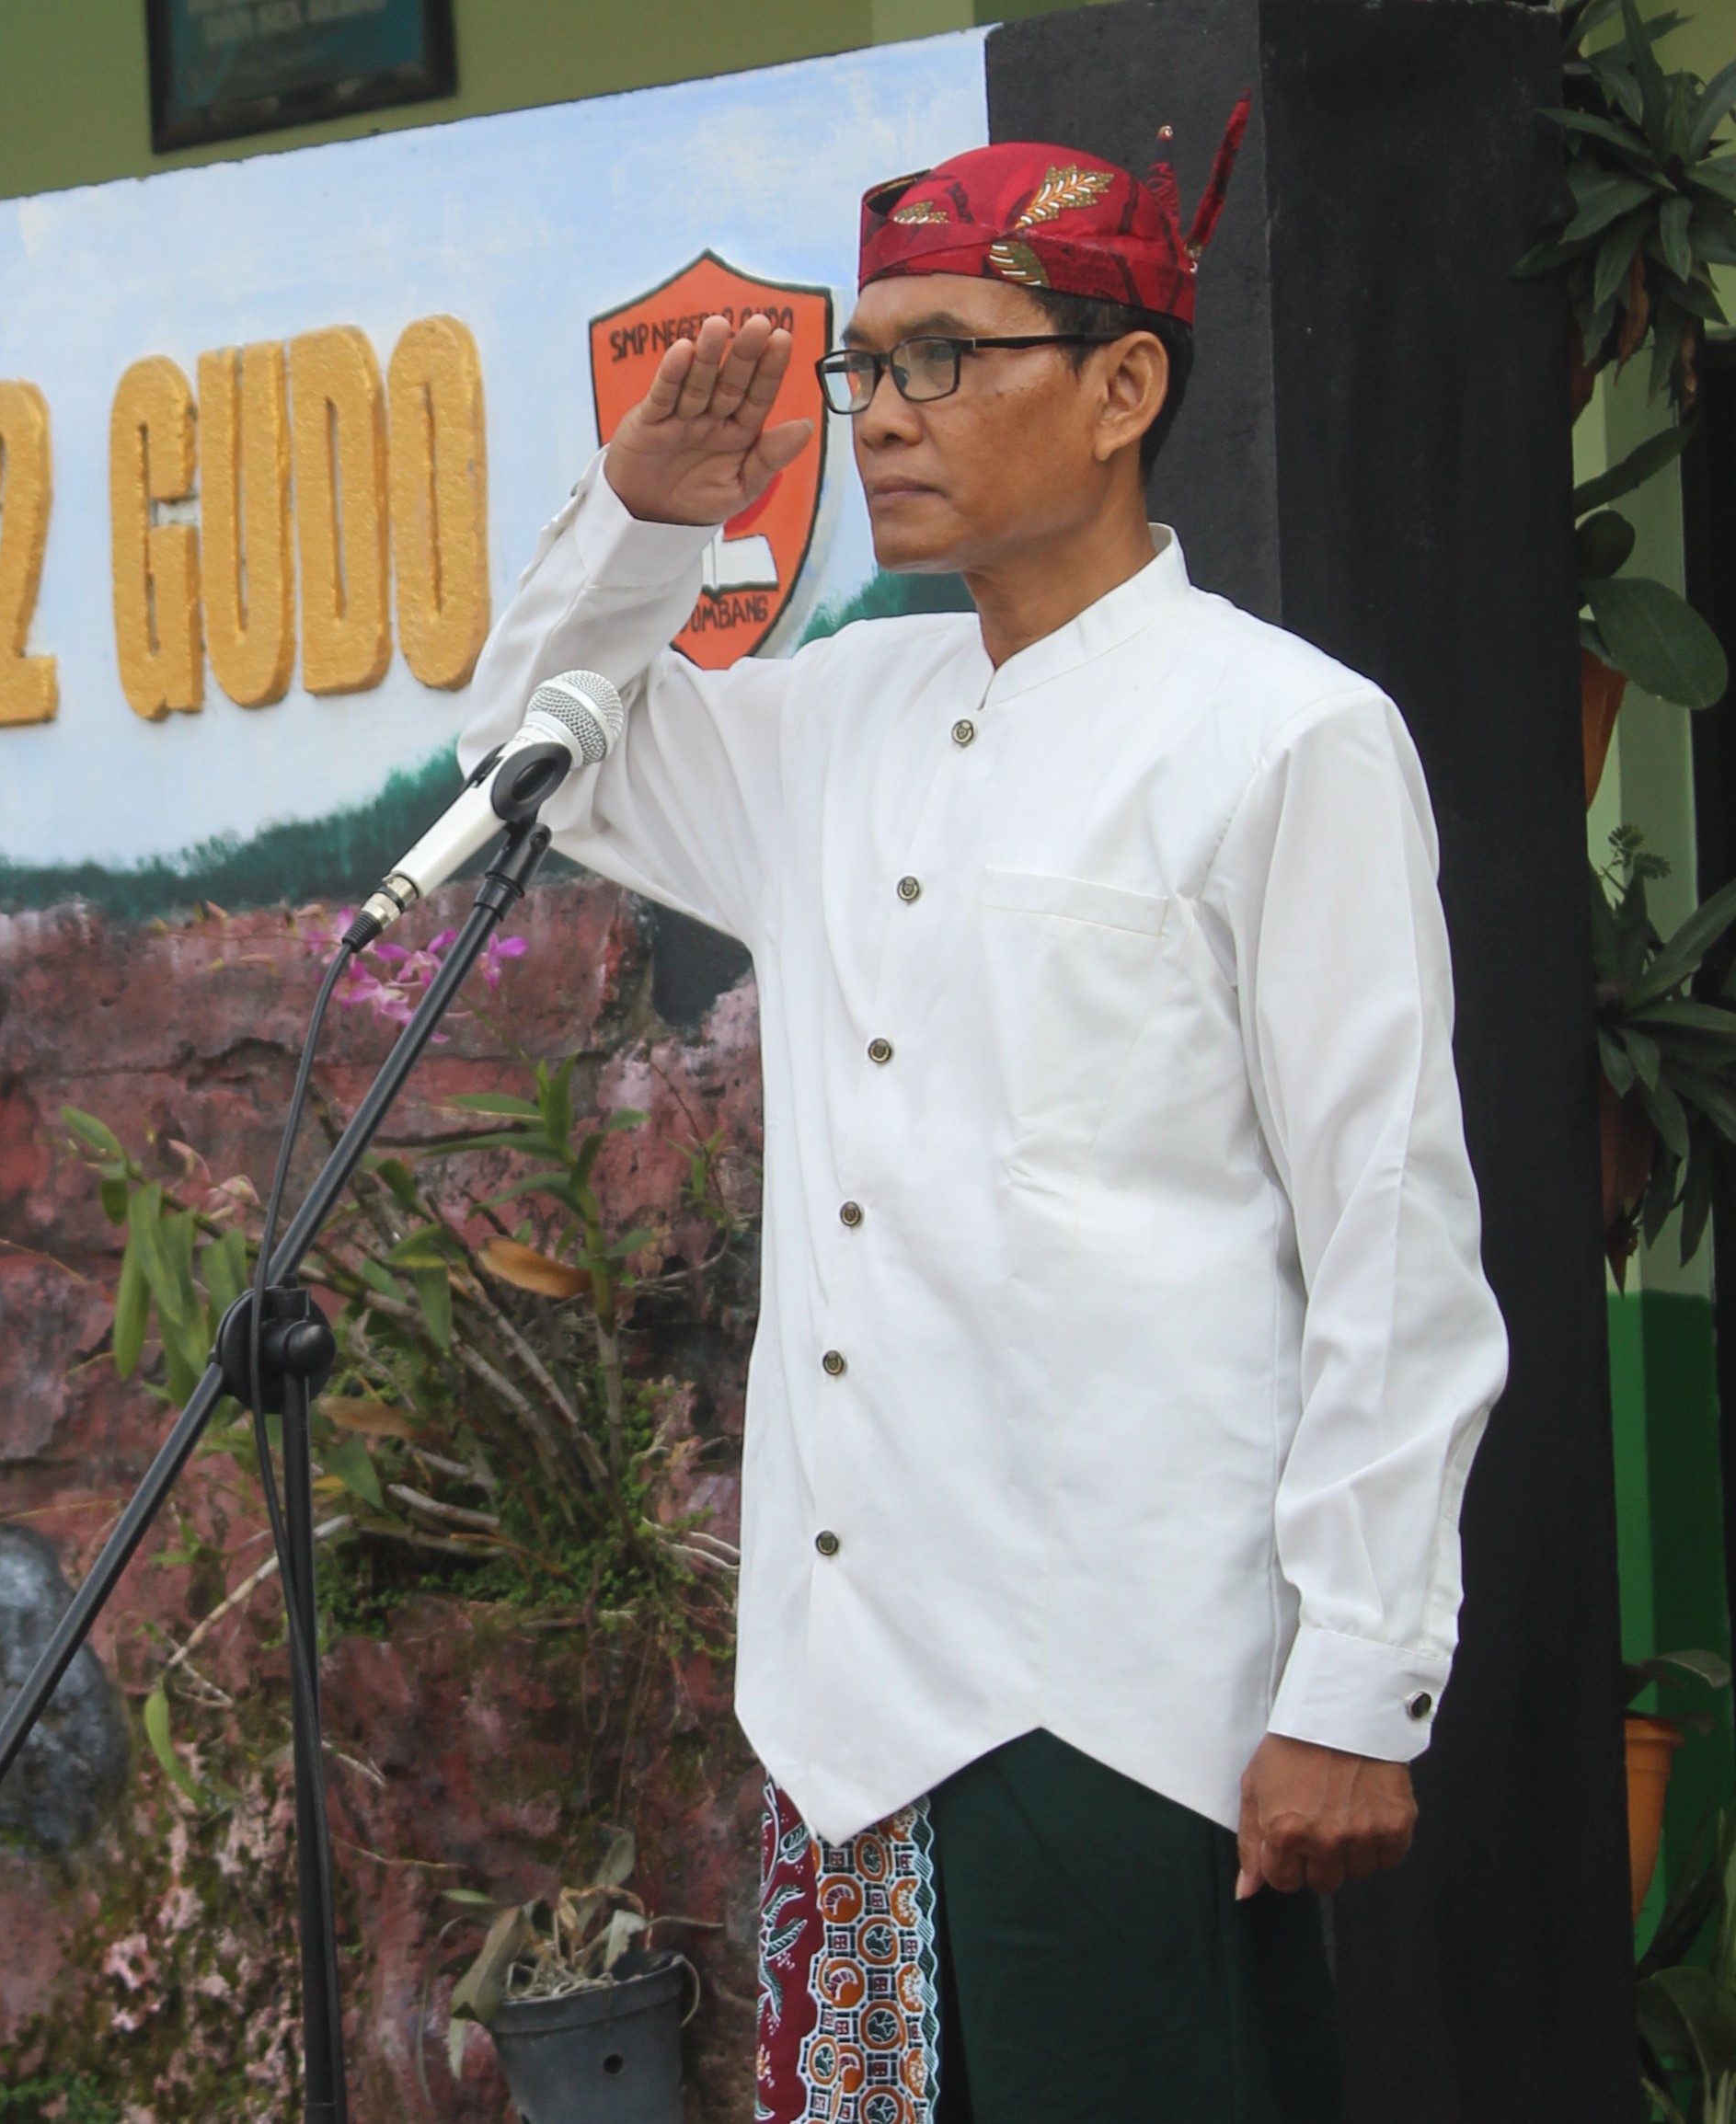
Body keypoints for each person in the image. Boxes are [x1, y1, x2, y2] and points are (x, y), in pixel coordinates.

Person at [458, 123, 1506, 2123]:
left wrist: (1361, 1682)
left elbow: (1392, 1236)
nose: (882, 413)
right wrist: (644, 517)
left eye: (947, 355)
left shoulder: (1283, 734)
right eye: (866, 362)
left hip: (1130, 1714)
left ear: (1125, 388)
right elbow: (538, 765)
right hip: (851, 1713)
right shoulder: (840, 714)